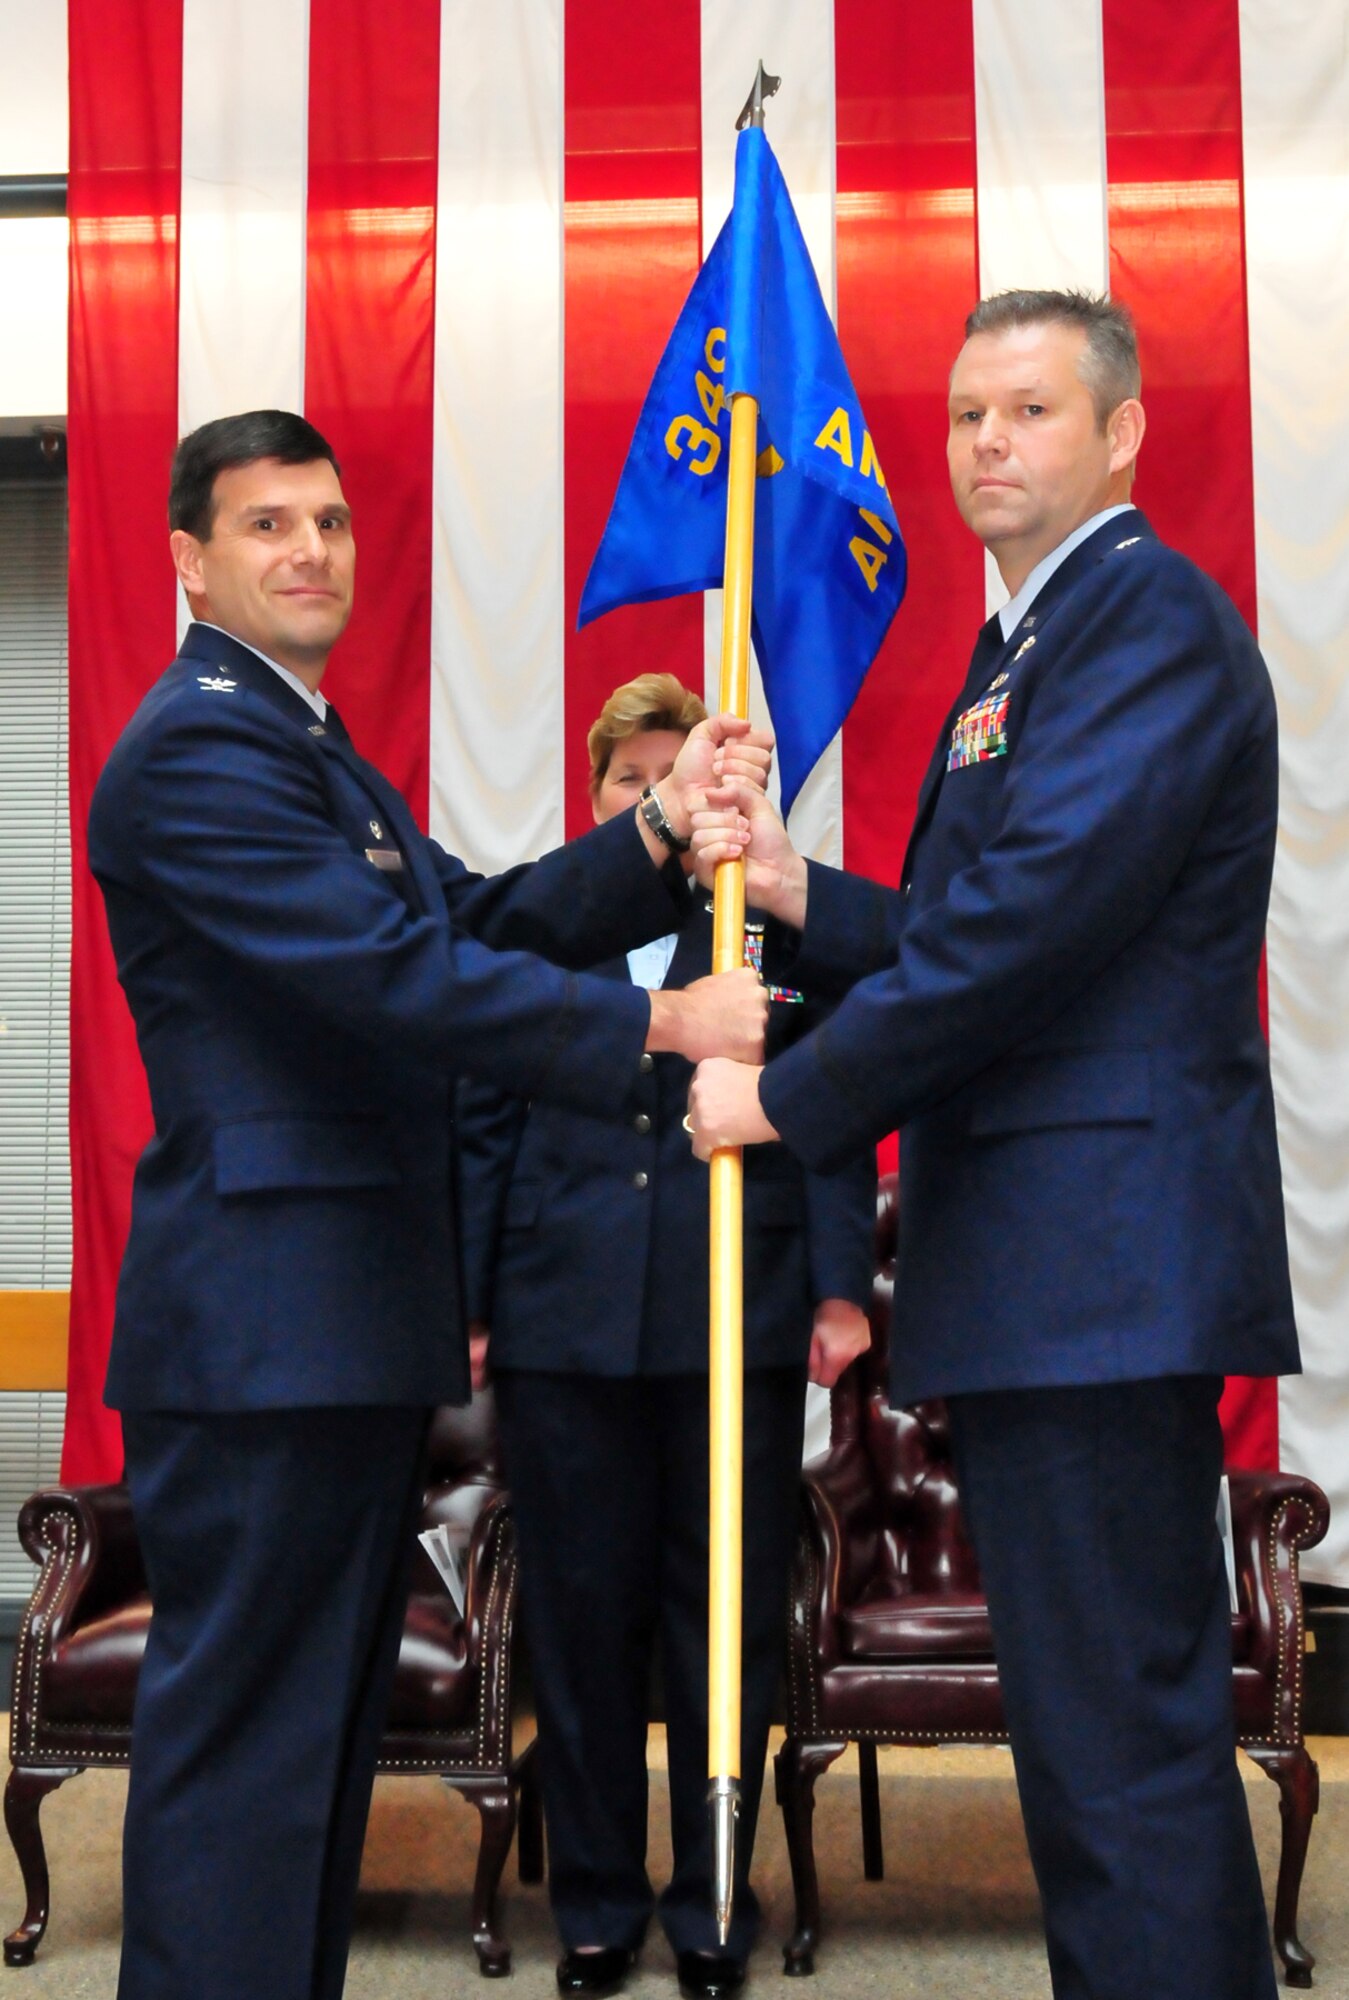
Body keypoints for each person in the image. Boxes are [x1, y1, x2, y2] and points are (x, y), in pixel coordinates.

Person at [87, 410, 771, 2000]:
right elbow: (394, 975)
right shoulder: (199, 744)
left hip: (329, 1328)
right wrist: (656, 1026)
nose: (310, 549)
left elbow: (474, 916)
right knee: (249, 1750)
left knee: (306, 1760)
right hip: (266, 1330)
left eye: (325, 520)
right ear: (190, 558)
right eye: (266, 526)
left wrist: (657, 836)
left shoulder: (306, 743)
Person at [688, 292, 1298, 2000]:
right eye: (963, 415)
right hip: (1051, 1269)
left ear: (1118, 435)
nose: (982, 444)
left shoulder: (1144, 623)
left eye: (1026, 412)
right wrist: (801, 897)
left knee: (1121, 1752)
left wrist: (786, 1097)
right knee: (1087, 1746)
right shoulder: (1029, 639)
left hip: (1099, 1264)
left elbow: (1023, 934)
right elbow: (987, 927)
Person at [457, 673, 875, 2000]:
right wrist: (468, 1301)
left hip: (730, 1320)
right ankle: (591, 1906)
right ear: (597, 796)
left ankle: (705, 1911)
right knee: (577, 1628)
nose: (652, 798)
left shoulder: (772, 919)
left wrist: (835, 1288)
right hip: (558, 1321)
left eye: (671, 775)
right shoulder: (542, 924)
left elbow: (833, 1107)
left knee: (723, 1624)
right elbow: (480, 1122)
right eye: (629, 780)